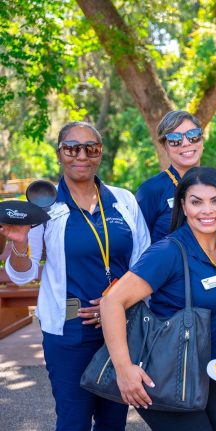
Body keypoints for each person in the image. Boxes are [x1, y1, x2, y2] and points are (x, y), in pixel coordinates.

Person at [1, 121, 151, 431]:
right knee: (73, 421)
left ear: (100, 154)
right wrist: (18, 245)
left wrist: (114, 306)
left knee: (113, 421)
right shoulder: (45, 206)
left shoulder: (123, 201)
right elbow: (22, 274)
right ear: (59, 154)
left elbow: (144, 264)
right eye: (72, 148)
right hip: (68, 331)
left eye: (91, 148)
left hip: (122, 328)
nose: (81, 155)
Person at [100, 167, 216, 431]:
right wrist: (124, 370)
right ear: (183, 205)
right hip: (166, 374)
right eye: (196, 201)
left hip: (205, 371)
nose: (207, 210)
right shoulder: (168, 251)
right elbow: (111, 302)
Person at [136, 110, 204, 244]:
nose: (185, 143)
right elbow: (137, 246)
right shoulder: (151, 190)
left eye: (193, 135)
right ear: (164, 146)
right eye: (175, 139)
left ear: (202, 140)